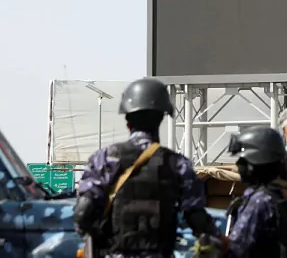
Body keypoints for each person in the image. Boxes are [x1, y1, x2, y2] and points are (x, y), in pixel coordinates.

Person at [72, 78, 226, 257]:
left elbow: (83, 213)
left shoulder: (105, 158)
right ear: (161, 118)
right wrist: (221, 240)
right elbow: (196, 217)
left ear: (127, 120)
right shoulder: (178, 165)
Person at [226, 125, 287, 258]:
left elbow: (237, 250)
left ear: (256, 161)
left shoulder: (260, 201)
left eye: (244, 160)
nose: (239, 164)